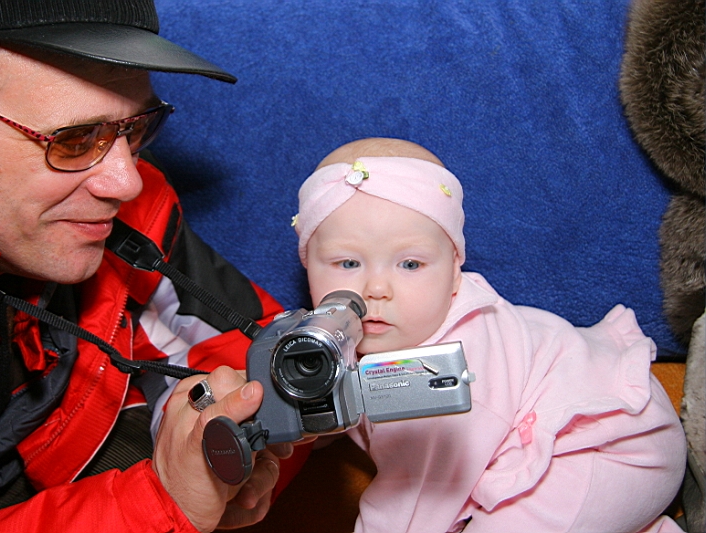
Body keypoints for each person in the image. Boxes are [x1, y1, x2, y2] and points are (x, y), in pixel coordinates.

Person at [0, 2, 302, 532]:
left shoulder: (126, 217)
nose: (126, 181)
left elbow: (261, 361)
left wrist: (243, 456)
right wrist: (164, 503)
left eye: (135, 129)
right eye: (72, 141)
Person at [292, 137, 688, 533]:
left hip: (606, 445)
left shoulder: (445, 374)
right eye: (348, 263)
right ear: (309, 266)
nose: (376, 288)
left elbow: (412, 502)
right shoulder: (335, 336)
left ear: (454, 272)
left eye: (410, 264)